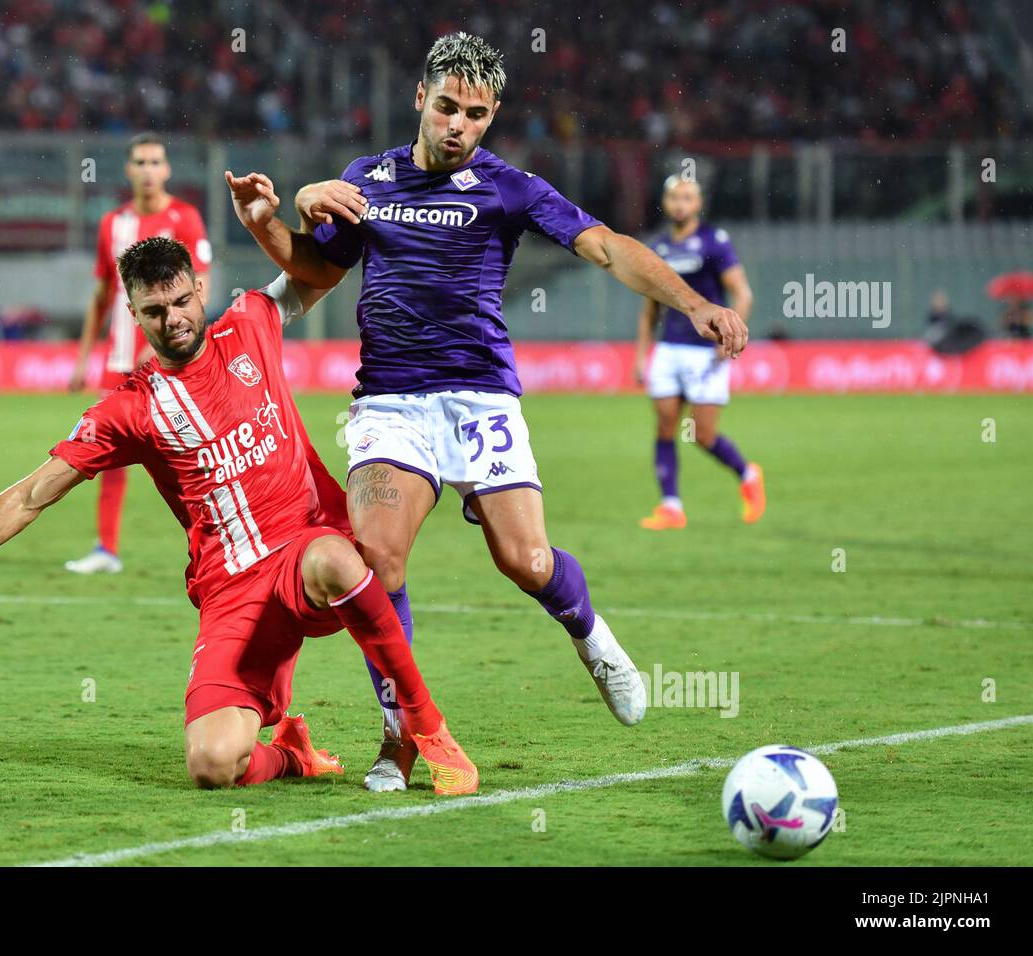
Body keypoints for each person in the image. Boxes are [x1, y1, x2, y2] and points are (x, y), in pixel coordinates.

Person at [228, 32, 748, 792]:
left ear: (492, 114)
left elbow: (605, 248)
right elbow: (317, 271)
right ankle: (399, 736)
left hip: (479, 396)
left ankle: (593, 639)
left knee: (526, 561)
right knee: (377, 560)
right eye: (446, 107)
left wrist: (695, 301)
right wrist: (270, 219)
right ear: (420, 99)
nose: (457, 127)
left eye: (475, 114)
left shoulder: (510, 188)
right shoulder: (367, 179)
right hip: (391, 400)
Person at [0, 225, 478, 796]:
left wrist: (284, 214)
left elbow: (324, 268)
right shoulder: (129, 410)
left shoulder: (252, 322)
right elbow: (29, 495)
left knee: (338, 558)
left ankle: (428, 730)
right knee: (211, 764)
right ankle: (293, 755)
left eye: (181, 301)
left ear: (197, 289)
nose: (173, 319)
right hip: (232, 591)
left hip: (305, 557)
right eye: (155, 310)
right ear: (133, 314)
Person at [65, 132, 212, 575]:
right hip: (121, 363)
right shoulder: (112, 224)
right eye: (140, 163)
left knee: (194, 453)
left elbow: (201, 287)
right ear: (128, 171)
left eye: (155, 162)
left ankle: (219, 543)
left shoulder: (185, 219)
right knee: (106, 453)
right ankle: (106, 549)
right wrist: (82, 357)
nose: (148, 171)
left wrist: (168, 339)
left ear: (166, 170)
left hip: (175, 362)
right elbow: (102, 295)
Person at [632, 176, 764, 530]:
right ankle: (671, 506)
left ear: (698, 203)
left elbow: (743, 294)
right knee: (664, 427)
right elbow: (650, 309)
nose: (680, 203)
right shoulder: (658, 248)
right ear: (665, 201)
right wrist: (642, 354)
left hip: (705, 352)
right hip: (669, 349)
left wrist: (728, 338)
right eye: (674, 197)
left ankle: (748, 474)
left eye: (687, 197)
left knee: (702, 435)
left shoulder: (713, 242)